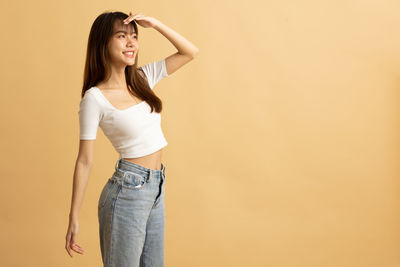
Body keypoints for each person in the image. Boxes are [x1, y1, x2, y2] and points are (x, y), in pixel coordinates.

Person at [65, 11, 199, 267]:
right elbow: (84, 160)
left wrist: (156, 24)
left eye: (135, 37)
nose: (131, 43)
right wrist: (74, 216)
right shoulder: (94, 98)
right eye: (122, 36)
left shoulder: (142, 79)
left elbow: (189, 52)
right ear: (103, 43)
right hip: (127, 192)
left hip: (156, 187)